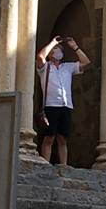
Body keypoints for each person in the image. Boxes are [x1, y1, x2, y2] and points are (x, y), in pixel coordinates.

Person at [36, 34, 90, 166]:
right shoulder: (45, 67)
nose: (58, 51)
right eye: (56, 49)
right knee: (49, 137)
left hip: (66, 106)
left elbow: (86, 62)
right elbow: (40, 57)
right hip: (51, 106)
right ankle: (45, 164)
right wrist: (52, 43)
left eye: (60, 49)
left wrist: (75, 47)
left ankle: (64, 165)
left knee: (62, 138)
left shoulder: (68, 67)